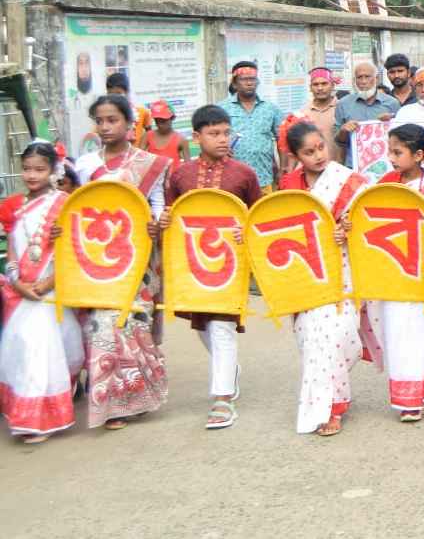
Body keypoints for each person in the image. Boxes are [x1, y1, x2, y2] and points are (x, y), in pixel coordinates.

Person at [159, 105, 262, 429]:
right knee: (202, 325)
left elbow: (259, 217)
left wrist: (246, 229)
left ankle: (222, 399)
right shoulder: (180, 175)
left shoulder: (244, 174)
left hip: (231, 264)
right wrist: (164, 221)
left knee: (221, 325)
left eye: (226, 133)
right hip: (192, 264)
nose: (222, 139)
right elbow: (172, 214)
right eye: (214, 133)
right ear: (197, 136)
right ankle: (228, 370)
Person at [72, 95, 170, 430]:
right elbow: (75, 207)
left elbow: (156, 202)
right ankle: (111, 404)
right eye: (100, 121)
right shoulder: (84, 165)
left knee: (133, 326)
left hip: (137, 257)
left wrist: (156, 222)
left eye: (112, 120)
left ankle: (136, 395)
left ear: (130, 125)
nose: (105, 127)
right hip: (97, 259)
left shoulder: (148, 163)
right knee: (102, 326)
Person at [278, 122, 367, 436]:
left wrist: (349, 227)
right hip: (306, 273)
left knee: (339, 337)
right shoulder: (289, 185)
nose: (318, 156)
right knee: (314, 340)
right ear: (296, 155)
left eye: (321, 147)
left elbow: (368, 221)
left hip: (343, 269)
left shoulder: (348, 181)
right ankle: (332, 404)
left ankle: (331, 400)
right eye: (309, 152)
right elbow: (279, 228)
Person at [362, 124, 424, 422]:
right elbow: (367, 217)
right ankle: (409, 398)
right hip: (393, 270)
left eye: (398, 152)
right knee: (399, 330)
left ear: (420, 154)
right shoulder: (386, 182)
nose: (392, 158)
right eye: (390, 151)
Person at [0, 142, 83, 443]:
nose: (31, 175)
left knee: (46, 349)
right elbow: (12, 249)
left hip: (49, 289)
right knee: (27, 350)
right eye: (26, 168)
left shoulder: (62, 203)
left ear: (53, 171)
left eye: (39, 169)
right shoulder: (18, 205)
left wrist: (47, 284)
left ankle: (40, 419)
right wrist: (16, 281)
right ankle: (31, 417)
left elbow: (73, 249)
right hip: (23, 290)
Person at [221, 61, 286, 193]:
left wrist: (282, 169)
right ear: (234, 83)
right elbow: (212, 136)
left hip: (263, 178)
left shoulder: (271, 109)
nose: (249, 83)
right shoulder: (222, 108)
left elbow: (282, 140)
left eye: (252, 79)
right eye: (244, 79)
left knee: (264, 212)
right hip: (231, 179)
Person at [334, 60, 399, 168]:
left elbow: (401, 137)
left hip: (385, 165)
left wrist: (391, 122)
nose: (363, 81)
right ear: (355, 80)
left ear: (376, 79)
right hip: (354, 166)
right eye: (359, 77)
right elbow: (338, 142)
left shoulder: (392, 103)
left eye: (367, 77)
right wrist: (343, 131)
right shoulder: (343, 104)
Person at [296, 67, 342, 163]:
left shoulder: (342, 109)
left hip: (338, 169)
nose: (320, 88)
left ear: (332, 86)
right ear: (310, 88)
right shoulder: (303, 113)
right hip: (312, 170)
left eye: (324, 84)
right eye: (315, 84)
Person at [106, 72, 152, 145]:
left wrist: (144, 147)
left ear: (127, 92)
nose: (115, 98)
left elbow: (150, 133)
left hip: (137, 155)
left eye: (118, 93)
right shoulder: (106, 116)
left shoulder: (141, 112)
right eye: (111, 95)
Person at [140, 100, 189, 166]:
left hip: (173, 175)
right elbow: (138, 160)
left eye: (163, 121)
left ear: (172, 118)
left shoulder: (181, 140)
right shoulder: (147, 136)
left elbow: (188, 165)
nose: (160, 124)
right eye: (157, 120)